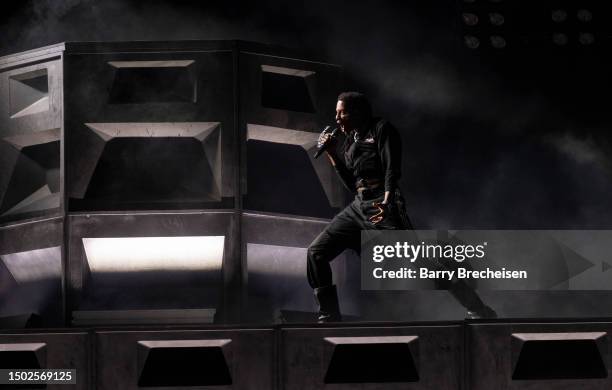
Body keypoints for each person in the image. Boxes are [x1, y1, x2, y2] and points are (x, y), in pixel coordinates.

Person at [307, 92, 496, 322]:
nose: (337, 118)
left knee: (423, 266)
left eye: (342, 112)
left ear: (358, 112)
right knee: (316, 252)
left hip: (385, 205)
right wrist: (331, 153)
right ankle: (329, 316)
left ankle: (478, 308)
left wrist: (387, 201)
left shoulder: (381, 129)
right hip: (359, 207)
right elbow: (352, 184)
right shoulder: (349, 143)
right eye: (336, 113)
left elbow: (391, 169)